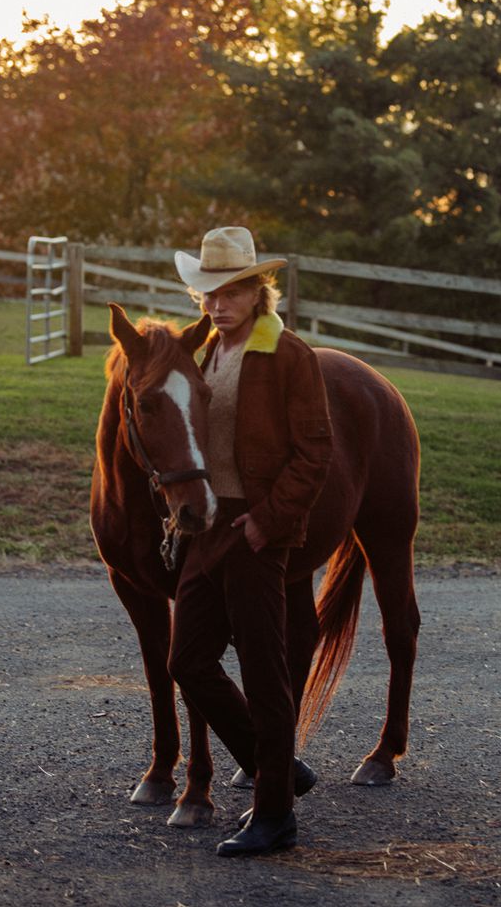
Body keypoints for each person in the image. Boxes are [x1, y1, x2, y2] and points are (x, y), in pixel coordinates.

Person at [167, 226, 333, 857]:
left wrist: (267, 521)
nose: (218, 303)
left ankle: (274, 819)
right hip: (209, 527)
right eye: (209, 291)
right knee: (188, 660)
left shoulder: (289, 356)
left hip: (258, 531)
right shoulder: (206, 352)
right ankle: (280, 771)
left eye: (232, 291)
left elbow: (315, 453)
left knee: (265, 673)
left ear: (259, 291)